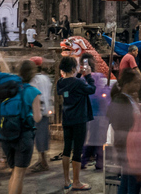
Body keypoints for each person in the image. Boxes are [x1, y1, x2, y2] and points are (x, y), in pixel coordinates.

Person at [57, 55, 95, 191]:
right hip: (79, 120)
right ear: (73, 67)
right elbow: (91, 89)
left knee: (66, 149)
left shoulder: (60, 82)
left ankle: (67, 180)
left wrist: (79, 75)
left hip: (67, 119)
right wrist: (89, 76)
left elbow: (72, 86)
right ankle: (77, 182)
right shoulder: (78, 83)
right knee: (77, 150)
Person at [4, 60, 43, 194]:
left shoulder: (11, 88)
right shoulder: (33, 92)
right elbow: (37, 117)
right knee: (19, 175)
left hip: (7, 134)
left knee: (14, 172)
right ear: (32, 74)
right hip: (24, 135)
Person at [107, 69, 141, 194]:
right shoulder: (121, 100)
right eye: (136, 83)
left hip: (130, 145)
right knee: (133, 182)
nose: (138, 85)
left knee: (127, 180)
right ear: (127, 84)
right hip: (128, 146)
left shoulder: (128, 98)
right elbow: (119, 125)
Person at [80, 53, 110, 171]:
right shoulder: (97, 77)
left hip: (93, 113)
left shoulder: (84, 78)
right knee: (97, 140)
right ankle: (96, 162)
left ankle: (87, 161)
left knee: (93, 139)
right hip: (97, 113)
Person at [28, 56, 53, 173]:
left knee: (39, 136)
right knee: (43, 135)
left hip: (38, 110)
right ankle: (42, 160)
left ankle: (43, 162)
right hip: (46, 109)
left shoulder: (34, 80)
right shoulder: (46, 78)